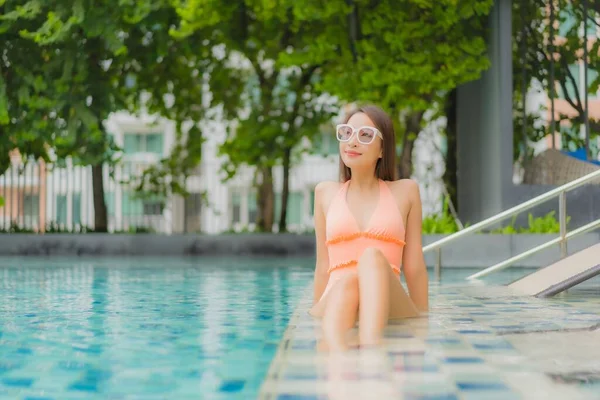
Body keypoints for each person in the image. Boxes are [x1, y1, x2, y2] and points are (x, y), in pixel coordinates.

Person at [309, 104, 429, 351]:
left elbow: (414, 267)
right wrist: (312, 317)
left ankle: (370, 351)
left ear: (382, 149)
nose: (352, 142)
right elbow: (323, 266)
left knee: (372, 257)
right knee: (348, 282)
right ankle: (341, 353)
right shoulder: (325, 192)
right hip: (337, 299)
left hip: (387, 299)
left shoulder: (406, 192)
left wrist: (424, 321)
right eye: (346, 133)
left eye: (365, 135)